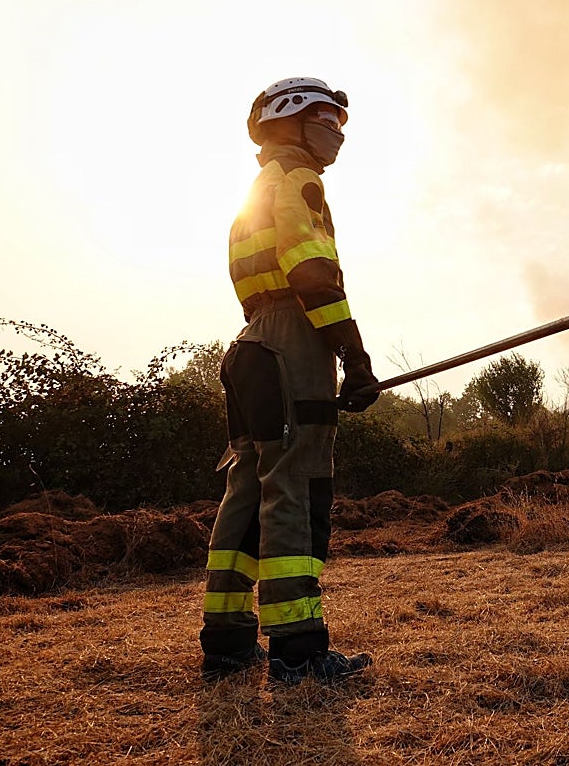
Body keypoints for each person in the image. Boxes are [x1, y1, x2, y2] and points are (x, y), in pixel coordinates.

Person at [199, 77, 380, 685]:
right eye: (329, 118)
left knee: (248, 485)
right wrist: (352, 355)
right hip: (290, 339)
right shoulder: (300, 182)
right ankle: (299, 650)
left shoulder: (256, 189)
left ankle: (225, 640)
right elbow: (311, 272)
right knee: (297, 485)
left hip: (250, 344)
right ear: (290, 120)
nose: (339, 132)